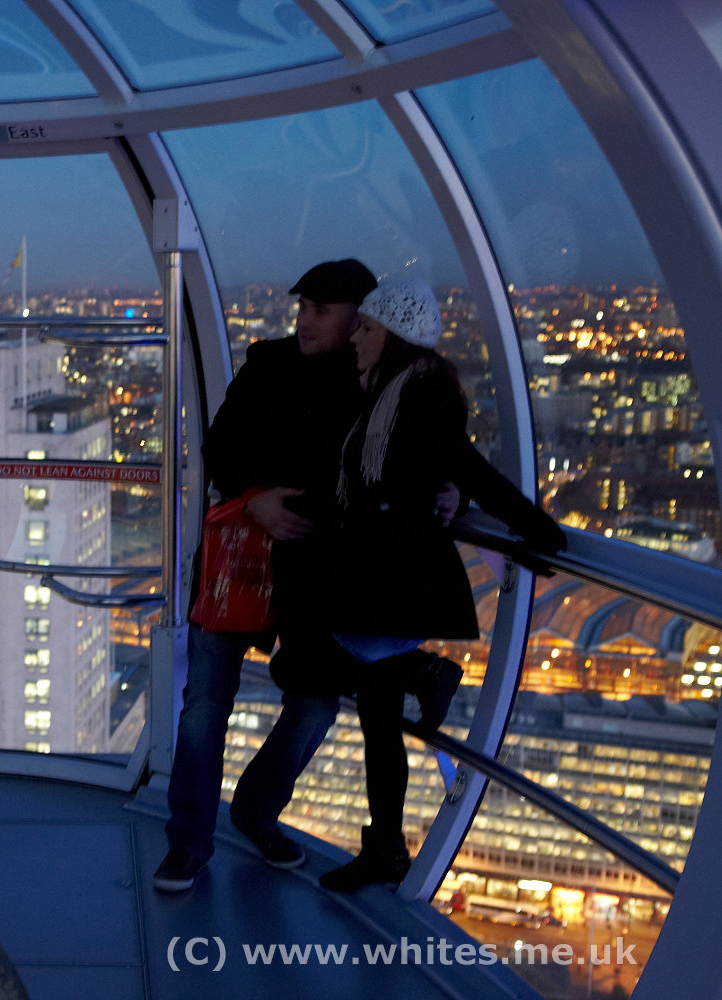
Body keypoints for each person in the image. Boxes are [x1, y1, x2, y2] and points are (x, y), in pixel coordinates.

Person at [271, 277, 566, 893]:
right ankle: (385, 844)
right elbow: (412, 475)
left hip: (392, 584)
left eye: (367, 328)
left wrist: (535, 530)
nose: (356, 338)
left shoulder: (423, 393)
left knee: (312, 666)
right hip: (379, 578)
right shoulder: (388, 392)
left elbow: (464, 466)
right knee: (377, 720)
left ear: (397, 335)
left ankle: (423, 676)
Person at [153, 260, 378, 893]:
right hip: (240, 561)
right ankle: (188, 844)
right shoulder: (268, 364)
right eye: (303, 308)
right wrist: (256, 499)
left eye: (320, 311)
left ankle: (253, 810)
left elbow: (406, 457)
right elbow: (219, 447)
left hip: (317, 571)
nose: (304, 320)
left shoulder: (375, 381)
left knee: (314, 707)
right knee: (204, 706)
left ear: (358, 317)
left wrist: (448, 492)